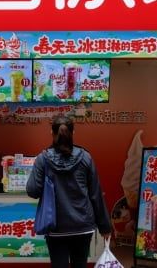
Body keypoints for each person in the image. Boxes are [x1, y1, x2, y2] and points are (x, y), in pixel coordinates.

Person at [26, 115, 112, 268]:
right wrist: (105, 227)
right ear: (73, 132)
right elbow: (95, 195)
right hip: (83, 227)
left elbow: (32, 191)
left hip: (56, 228)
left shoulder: (42, 159)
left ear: (51, 133)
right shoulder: (86, 157)